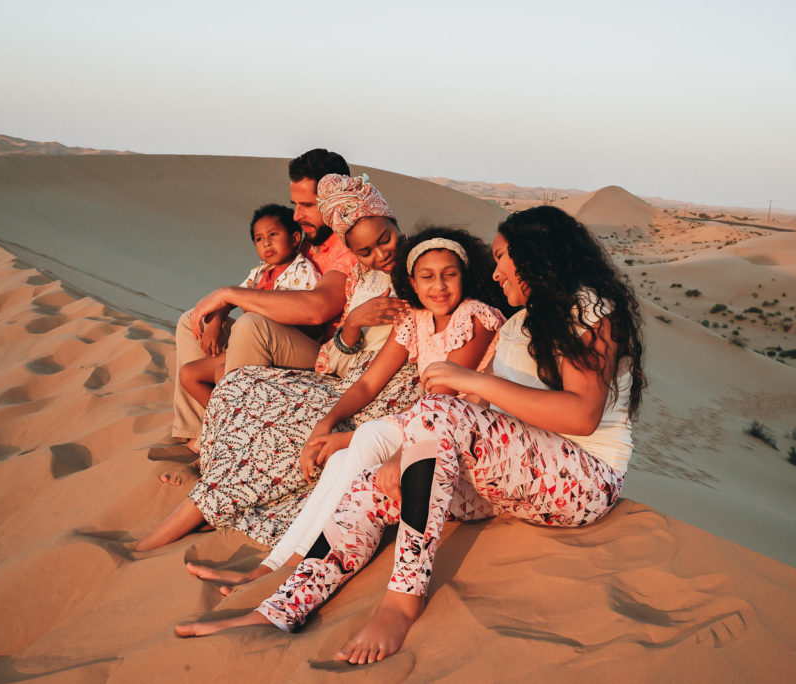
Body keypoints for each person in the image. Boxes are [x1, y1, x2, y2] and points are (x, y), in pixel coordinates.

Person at [174, 206, 647, 668]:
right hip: (518, 478)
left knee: (440, 409)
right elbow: (489, 417)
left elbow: (582, 415)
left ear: (535, 258)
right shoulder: (522, 322)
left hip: (584, 479)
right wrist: (400, 447)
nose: (498, 271)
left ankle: (402, 602)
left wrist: (472, 383)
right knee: (372, 487)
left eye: (504, 256)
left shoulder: (588, 310)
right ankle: (277, 609)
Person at [186, 227, 507, 591]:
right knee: (341, 462)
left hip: (464, 433)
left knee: (360, 445)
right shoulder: (415, 320)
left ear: (465, 277)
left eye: (450, 275)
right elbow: (368, 383)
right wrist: (327, 423)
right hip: (429, 424)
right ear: (412, 284)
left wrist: (344, 439)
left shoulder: (476, 317)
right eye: (427, 277)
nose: (439, 287)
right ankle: (269, 567)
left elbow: (443, 398)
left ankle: (288, 570)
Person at [135, 174, 421, 551]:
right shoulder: (361, 277)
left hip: (377, 393)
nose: (380, 254)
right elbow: (336, 359)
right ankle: (217, 460)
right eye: (366, 250)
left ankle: (196, 504)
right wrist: (353, 323)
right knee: (239, 385)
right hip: (341, 378)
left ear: (395, 223)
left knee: (260, 399)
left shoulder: (419, 273)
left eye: (384, 240)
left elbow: (362, 355)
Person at [169, 149, 357, 454]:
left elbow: (317, 308)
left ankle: (231, 444)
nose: (296, 215)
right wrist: (218, 312)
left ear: (336, 199)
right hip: (286, 335)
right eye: (295, 203)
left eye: (307, 205)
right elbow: (263, 284)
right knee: (194, 320)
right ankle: (198, 431)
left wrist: (229, 294)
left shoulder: (350, 245)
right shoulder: (307, 236)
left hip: (323, 352)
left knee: (252, 325)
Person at [178, 204, 319, 408]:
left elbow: (311, 320)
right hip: (247, 343)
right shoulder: (260, 273)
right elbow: (231, 298)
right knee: (189, 374)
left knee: (221, 374)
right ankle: (216, 422)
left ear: (295, 238)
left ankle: (229, 424)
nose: (266, 243)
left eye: (273, 234)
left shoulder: (304, 271)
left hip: (283, 349)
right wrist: (215, 323)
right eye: (259, 239)